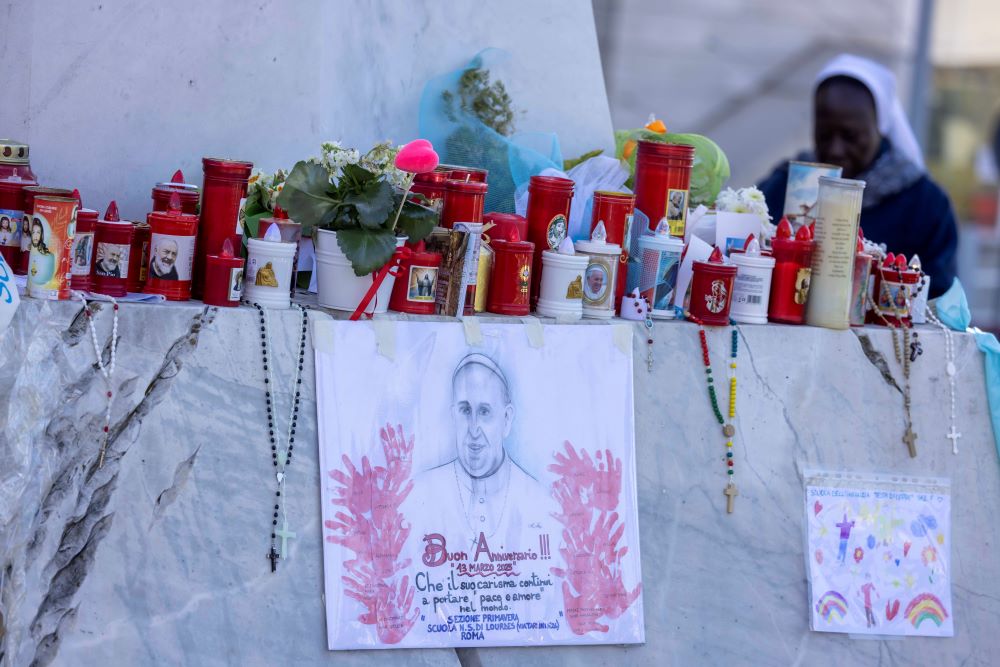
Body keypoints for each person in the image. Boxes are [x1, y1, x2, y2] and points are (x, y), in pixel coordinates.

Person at [757, 54, 958, 298]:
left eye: (851, 136)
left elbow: (939, 299)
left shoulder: (925, 205)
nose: (835, 149)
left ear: (879, 129)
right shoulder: (787, 184)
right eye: (824, 135)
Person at [403, 353, 555, 551]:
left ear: (507, 419)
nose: (474, 429)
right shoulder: (417, 494)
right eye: (465, 411)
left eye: (484, 412)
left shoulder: (540, 502)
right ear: (453, 416)